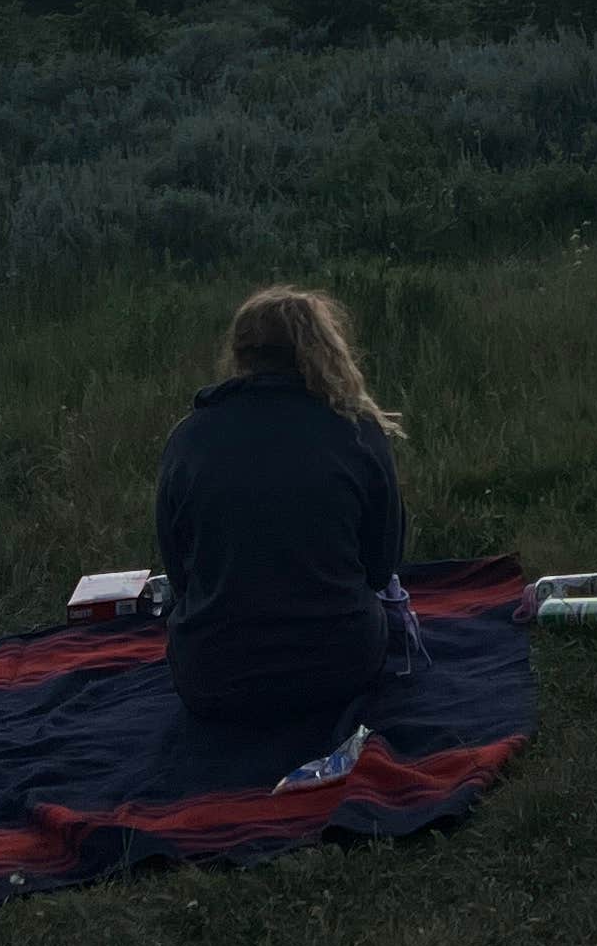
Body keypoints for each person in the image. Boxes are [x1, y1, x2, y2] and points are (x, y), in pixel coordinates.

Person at [155, 285, 408, 729]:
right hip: (340, 670)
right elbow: (379, 567)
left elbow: (180, 576)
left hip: (213, 680)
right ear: (323, 348)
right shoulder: (357, 432)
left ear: (240, 353)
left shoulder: (190, 438)